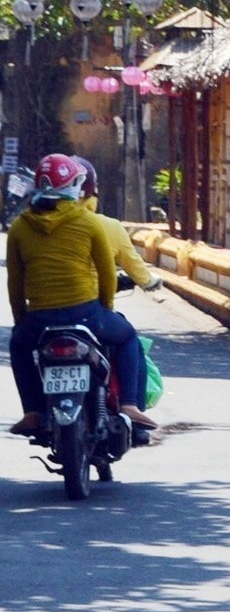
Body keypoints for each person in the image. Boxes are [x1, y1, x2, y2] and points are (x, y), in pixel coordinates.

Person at [6, 154, 149, 435]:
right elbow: (108, 275)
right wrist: (104, 309)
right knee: (128, 337)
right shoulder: (90, 222)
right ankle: (130, 405)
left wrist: (23, 320)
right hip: (86, 313)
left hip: (39, 319)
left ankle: (33, 411)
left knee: (19, 345)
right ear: (75, 186)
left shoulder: (20, 228)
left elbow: (15, 283)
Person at [74, 157, 164, 292]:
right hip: (89, 303)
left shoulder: (32, 225)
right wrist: (148, 280)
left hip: (39, 308)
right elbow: (134, 265)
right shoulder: (109, 226)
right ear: (92, 190)